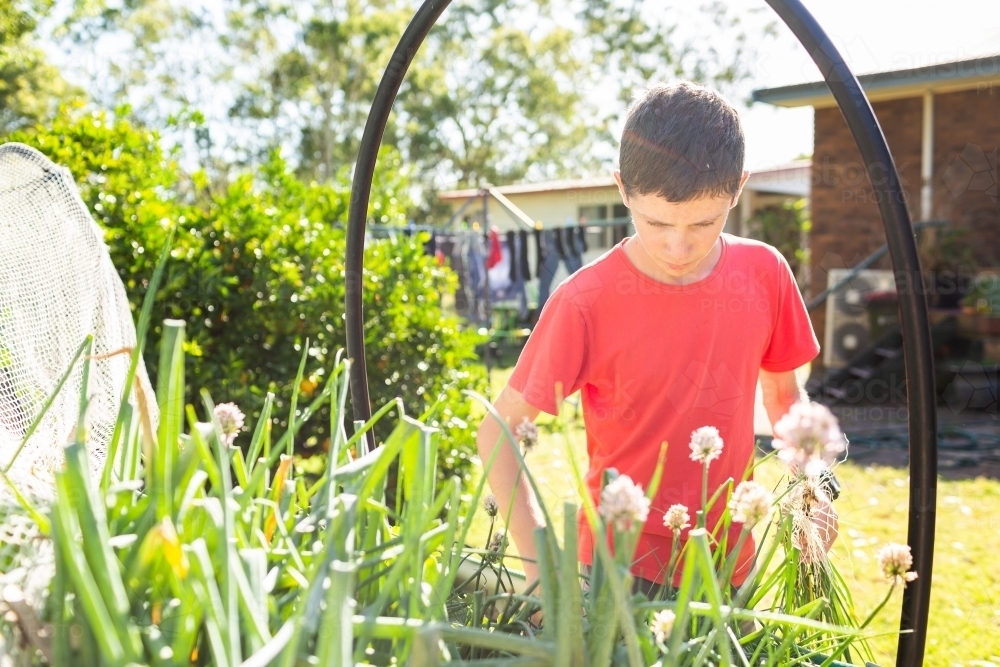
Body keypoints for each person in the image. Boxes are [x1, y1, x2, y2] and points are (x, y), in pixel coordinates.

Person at [475, 80, 837, 594]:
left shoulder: (765, 271)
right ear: (622, 189)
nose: (678, 245)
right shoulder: (586, 300)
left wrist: (814, 487)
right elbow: (497, 431)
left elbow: (783, 398)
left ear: (738, 188)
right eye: (656, 221)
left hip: (729, 561)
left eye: (704, 222)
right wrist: (540, 574)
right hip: (617, 568)